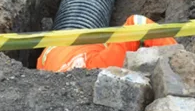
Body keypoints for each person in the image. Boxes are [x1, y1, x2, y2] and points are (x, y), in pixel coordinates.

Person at [37, 14, 178, 72]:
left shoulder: (103, 60)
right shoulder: (106, 64)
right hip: (52, 49)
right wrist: (179, 58)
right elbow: (137, 22)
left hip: (54, 49)